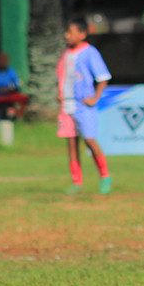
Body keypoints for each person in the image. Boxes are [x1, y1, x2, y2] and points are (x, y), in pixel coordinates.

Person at [57, 16, 113, 195]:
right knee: (72, 144)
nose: (67, 36)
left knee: (89, 140)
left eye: (70, 32)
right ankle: (77, 182)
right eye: (66, 32)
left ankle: (105, 176)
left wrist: (95, 98)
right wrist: (60, 93)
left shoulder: (90, 52)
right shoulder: (66, 53)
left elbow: (103, 77)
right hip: (67, 105)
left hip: (83, 105)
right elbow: (62, 76)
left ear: (82, 34)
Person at [0, 52, 30, 121]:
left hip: (9, 95)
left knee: (24, 98)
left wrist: (8, 89)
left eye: (4, 60)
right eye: (0, 60)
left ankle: (19, 117)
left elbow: (17, 86)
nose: (2, 62)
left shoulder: (11, 72)